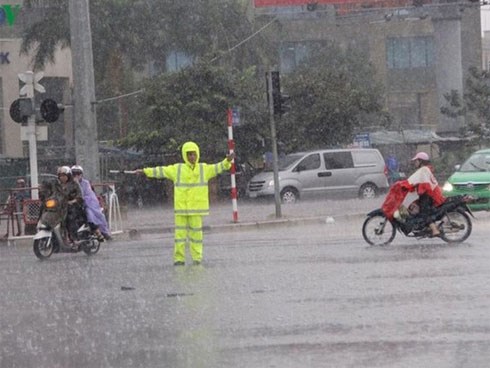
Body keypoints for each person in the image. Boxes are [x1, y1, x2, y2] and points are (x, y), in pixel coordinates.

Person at [136, 141, 234, 266]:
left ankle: (197, 258)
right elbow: (161, 171)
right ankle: (179, 259)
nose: (192, 157)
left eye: (193, 154)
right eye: (189, 155)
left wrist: (227, 161)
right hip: (182, 209)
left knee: (196, 236)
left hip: (196, 209)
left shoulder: (204, 169)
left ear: (197, 154)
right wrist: (145, 171)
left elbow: (218, 167)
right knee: (180, 236)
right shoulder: (177, 169)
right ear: (184, 156)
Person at [406, 152, 446, 237]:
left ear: (421, 161)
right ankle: (427, 227)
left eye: (416, 161)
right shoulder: (426, 169)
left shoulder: (424, 170)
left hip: (430, 196)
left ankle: (434, 230)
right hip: (430, 194)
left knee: (424, 212)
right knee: (416, 207)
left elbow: (424, 185)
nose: (415, 163)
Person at [71, 165, 110, 241]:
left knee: (90, 214)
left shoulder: (85, 183)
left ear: (81, 174)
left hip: (84, 205)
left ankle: (100, 232)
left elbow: (88, 195)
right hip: (70, 204)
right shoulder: (68, 184)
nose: (76, 176)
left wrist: (79, 199)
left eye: (78, 174)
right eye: (74, 174)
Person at [57, 166, 86, 244]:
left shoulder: (74, 184)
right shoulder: (58, 186)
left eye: (64, 175)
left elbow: (80, 196)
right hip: (61, 207)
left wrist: (72, 201)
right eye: (60, 176)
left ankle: (75, 237)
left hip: (74, 207)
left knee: (69, 218)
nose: (62, 177)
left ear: (68, 175)